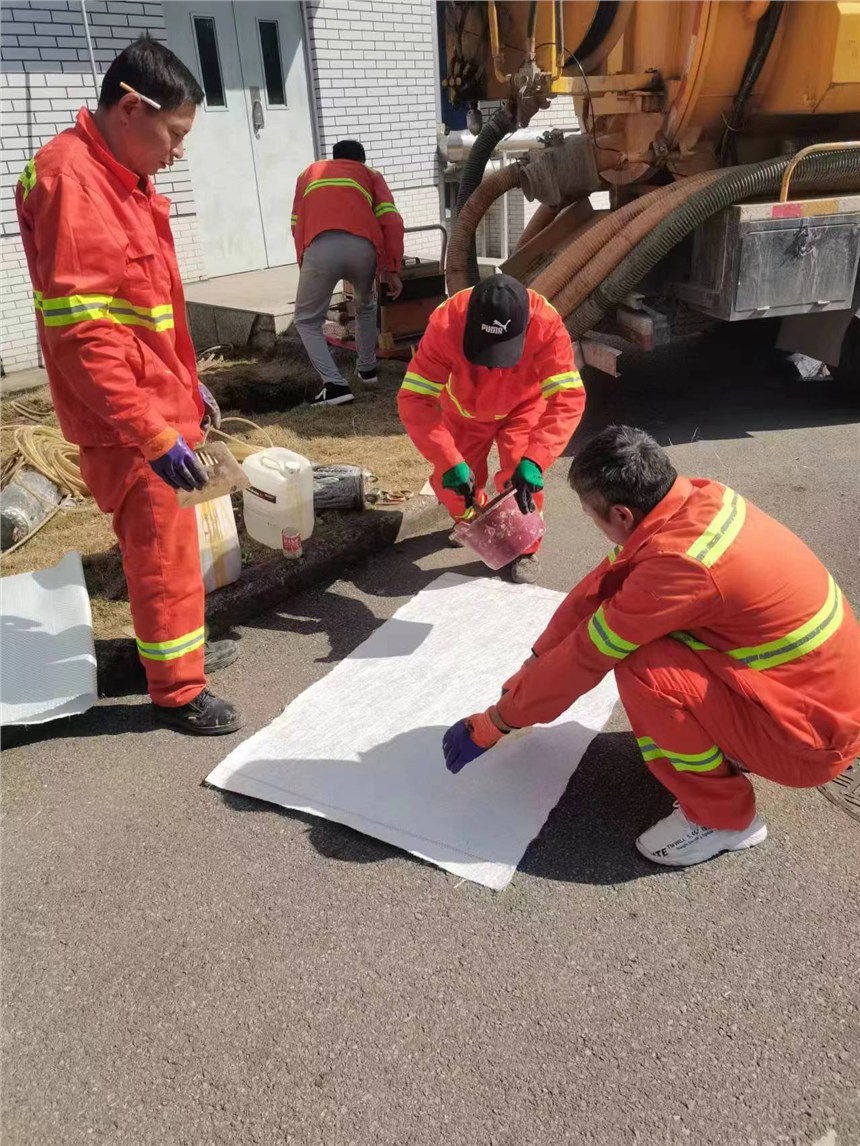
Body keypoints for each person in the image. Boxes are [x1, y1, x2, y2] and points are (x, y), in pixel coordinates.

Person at [442, 425, 860, 865]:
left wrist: (498, 722)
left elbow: (589, 653)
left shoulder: (681, 566)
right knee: (648, 640)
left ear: (621, 514)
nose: (596, 526)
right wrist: (536, 660)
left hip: (810, 742)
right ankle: (728, 748)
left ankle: (723, 819)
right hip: (816, 700)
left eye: (591, 515)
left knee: (643, 665)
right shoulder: (696, 501)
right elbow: (603, 586)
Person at [16, 37, 244, 736]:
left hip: (153, 402)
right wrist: (152, 430)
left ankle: (170, 655)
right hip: (129, 421)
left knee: (166, 546)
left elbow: (145, 314)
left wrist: (188, 388)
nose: (177, 152)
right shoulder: (75, 184)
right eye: (173, 134)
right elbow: (86, 337)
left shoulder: (115, 179)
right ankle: (177, 690)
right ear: (129, 108)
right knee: (161, 552)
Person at [398, 274, 585, 583]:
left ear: (525, 327)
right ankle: (474, 524)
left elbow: (568, 398)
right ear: (470, 322)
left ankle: (525, 547)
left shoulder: (546, 324)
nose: (493, 366)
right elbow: (415, 398)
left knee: (520, 482)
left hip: (524, 406)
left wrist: (536, 458)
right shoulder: (447, 323)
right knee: (454, 486)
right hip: (463, 411)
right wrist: (447, 459)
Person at [291, 139, 405, 408]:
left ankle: (334, 385)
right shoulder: (370, 175)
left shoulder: (308, 173)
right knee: (365, 306)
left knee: (307, 320)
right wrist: (393, 269)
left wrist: (305, 262)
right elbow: (391, 220)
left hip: (321, 247)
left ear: (334, 158)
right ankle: (367, 370)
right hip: (364, 249)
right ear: (361, 161)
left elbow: (296, 222)